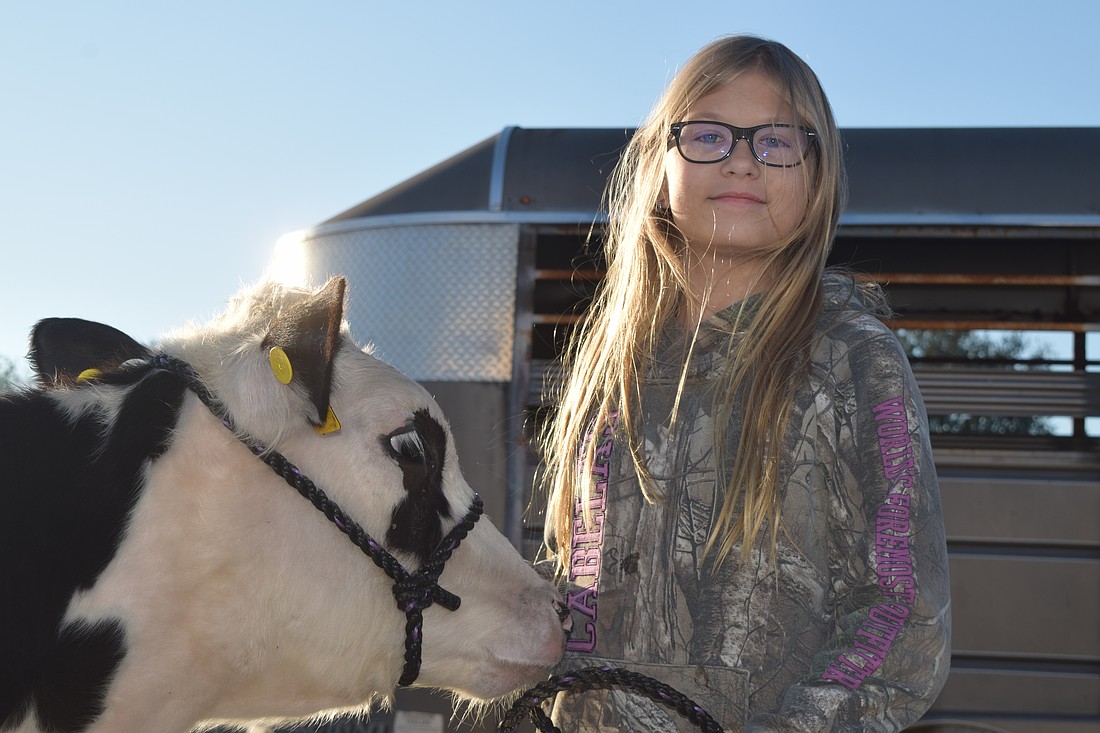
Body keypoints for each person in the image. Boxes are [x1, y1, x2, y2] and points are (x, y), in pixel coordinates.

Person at [537, 35, 951, 732]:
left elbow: (899, 614)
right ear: (657, 164)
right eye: (707, 134)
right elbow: (569, 577)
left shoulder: (854, 358)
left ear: (817, 176)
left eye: (777, 141)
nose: (740, 158)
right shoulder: (610, 365)